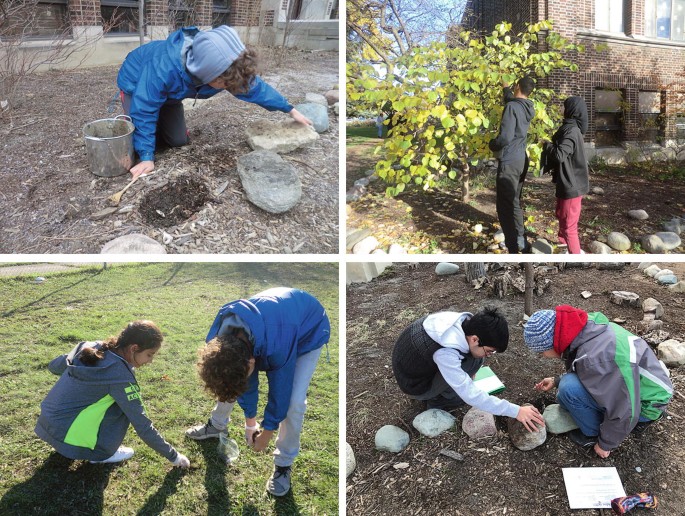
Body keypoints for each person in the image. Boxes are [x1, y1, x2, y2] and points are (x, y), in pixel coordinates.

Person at [185, 287, 330, 497]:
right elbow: (242, 381)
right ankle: (216, 425)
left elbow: (280, 391)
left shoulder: (277, 346)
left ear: (252, 362)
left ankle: (283, 463)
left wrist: (268, 432)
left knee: (293, 402)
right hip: (272, 322)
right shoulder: (220, 337)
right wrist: (250, 423)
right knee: (228, 380)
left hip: (308, 329)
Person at [117, 26, 312, 178]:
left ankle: (163, 116)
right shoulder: (162, 69)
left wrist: (290, 109)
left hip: (170, 94)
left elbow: (254, 88)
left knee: (177, 141)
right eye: (225, 83)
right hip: (136, 84)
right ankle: (142, 129)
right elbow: (144, 108)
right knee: (141, 135)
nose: (229, 86)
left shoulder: (222, 65)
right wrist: (146, 157)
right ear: (205, 72)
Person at [35, 321, 190, 468]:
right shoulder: (121, 378)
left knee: (108, 399)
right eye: (150, 354)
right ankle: (100, 453)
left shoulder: (91, 346)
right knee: (123, 406)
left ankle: (76, 442)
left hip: (46, 425)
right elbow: (142, 425)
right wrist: (175, 456)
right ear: (133, 348)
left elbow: (54, 366)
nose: (150, 361)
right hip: (68, 437)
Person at [524, 305, 673, 459]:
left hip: (647, 405)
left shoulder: (599, 359)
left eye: (542, 351)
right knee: (564, 393)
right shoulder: (587, 328)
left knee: (569, 390)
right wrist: (557, 380)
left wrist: (605, 443)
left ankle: (593, 433)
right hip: (641, 388)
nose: (543, 356)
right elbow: (592, 371)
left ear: (552, 342)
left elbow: (624, 407)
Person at [391, 307, 545, 432]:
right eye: (490, 350)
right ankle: (437, 401)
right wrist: (516, 411)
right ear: (475, 339)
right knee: (459, 396)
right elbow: (470, 395)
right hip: (415, 385)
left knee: (476, 359)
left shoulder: (461, 323)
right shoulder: (445, 351)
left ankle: (446, 388)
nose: (490, 355)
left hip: (417, 368)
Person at [489, 76, 536, 254]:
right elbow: (511, 100)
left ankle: (513, 248)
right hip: (522, 160)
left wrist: (493, 143)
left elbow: (505, 138)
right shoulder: (527, 107)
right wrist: (505, 87)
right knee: (514, 201)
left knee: (504, 206)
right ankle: (521, 239)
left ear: (518, 86)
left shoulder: (511, 107)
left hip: (509, 160)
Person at [542, 96, 590, 254]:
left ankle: (576, 260)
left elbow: (560, 155)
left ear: (571, 110)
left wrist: (546, 145)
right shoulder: (570, 128)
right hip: (567, 182)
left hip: (572, 185)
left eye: (563, 106)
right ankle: (564, 246)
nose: (561, 109)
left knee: (569, 226)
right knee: (561, 215)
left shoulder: (571, 131)